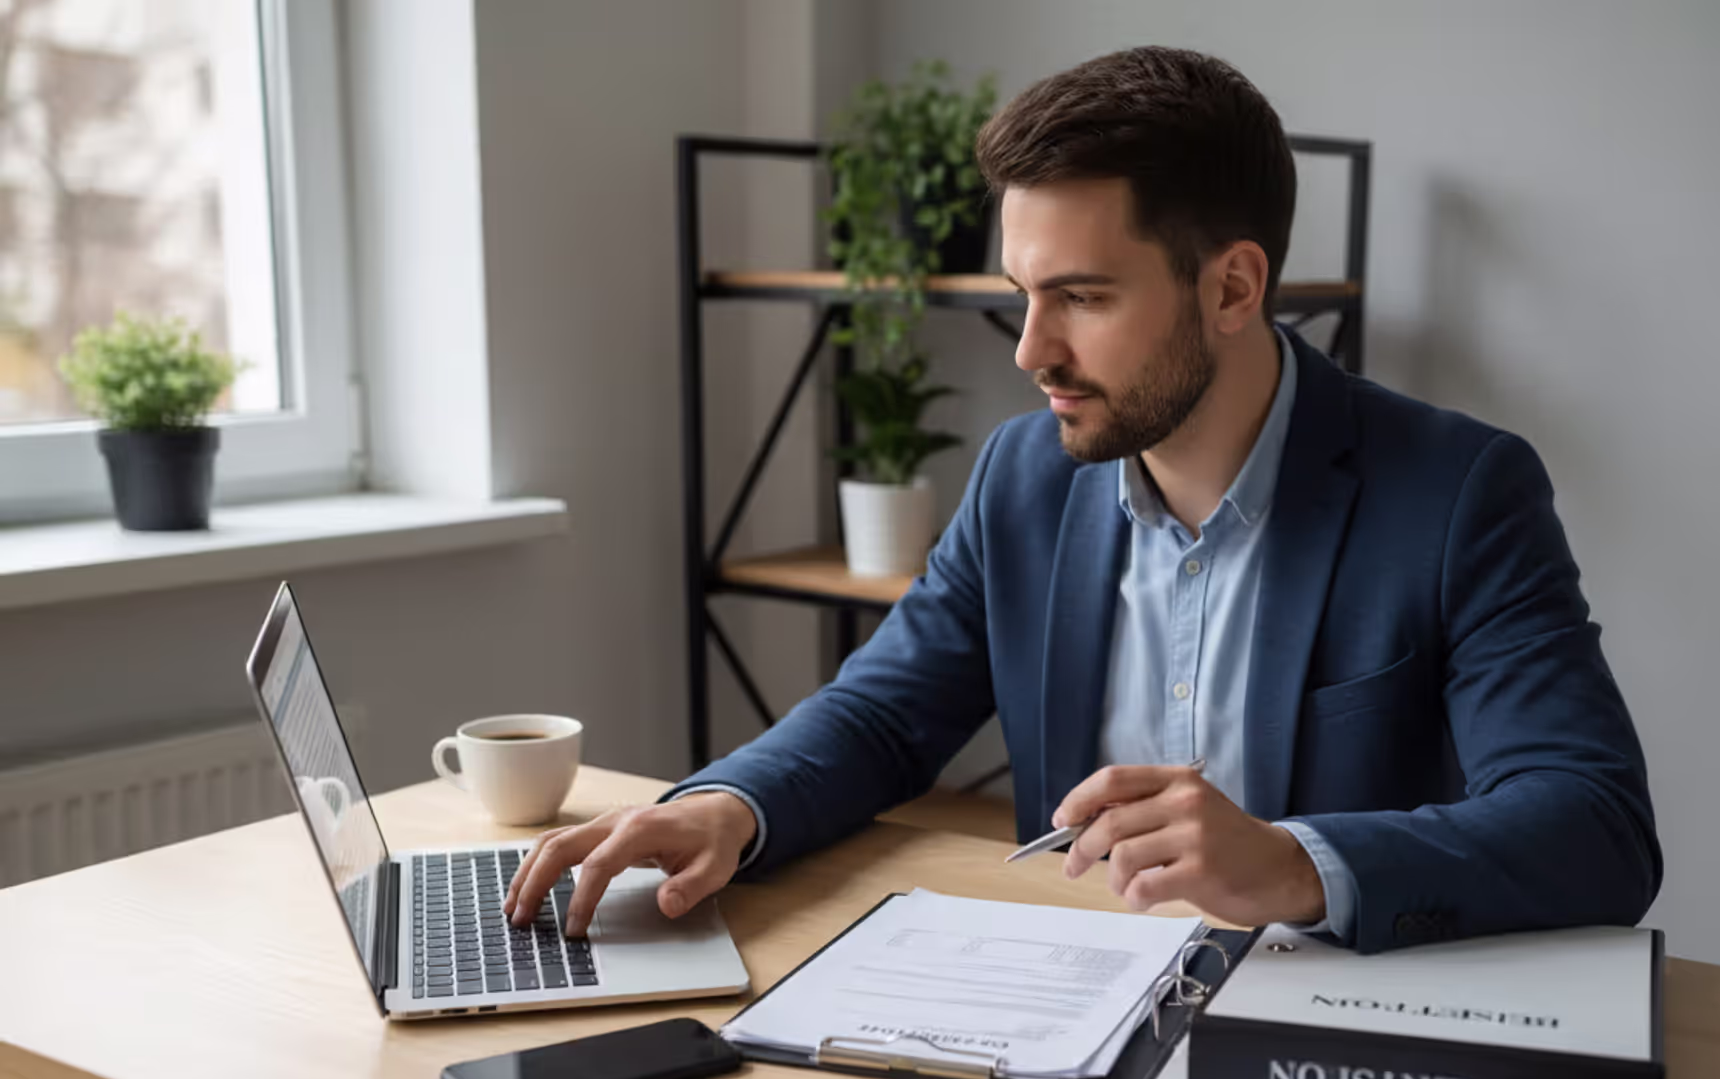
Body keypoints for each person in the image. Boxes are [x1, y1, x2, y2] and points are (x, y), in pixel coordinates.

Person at [506, 46, 1659, 954]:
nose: (1031, 350)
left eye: (1083, 297)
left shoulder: (1457, 491)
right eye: (1022, 293)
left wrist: (1293, 864)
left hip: (1324, 1026)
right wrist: (732, 805)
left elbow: (1593, 822)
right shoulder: (1024, 476)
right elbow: (881, 713)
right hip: (1060, 1005)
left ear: (1234, 285)